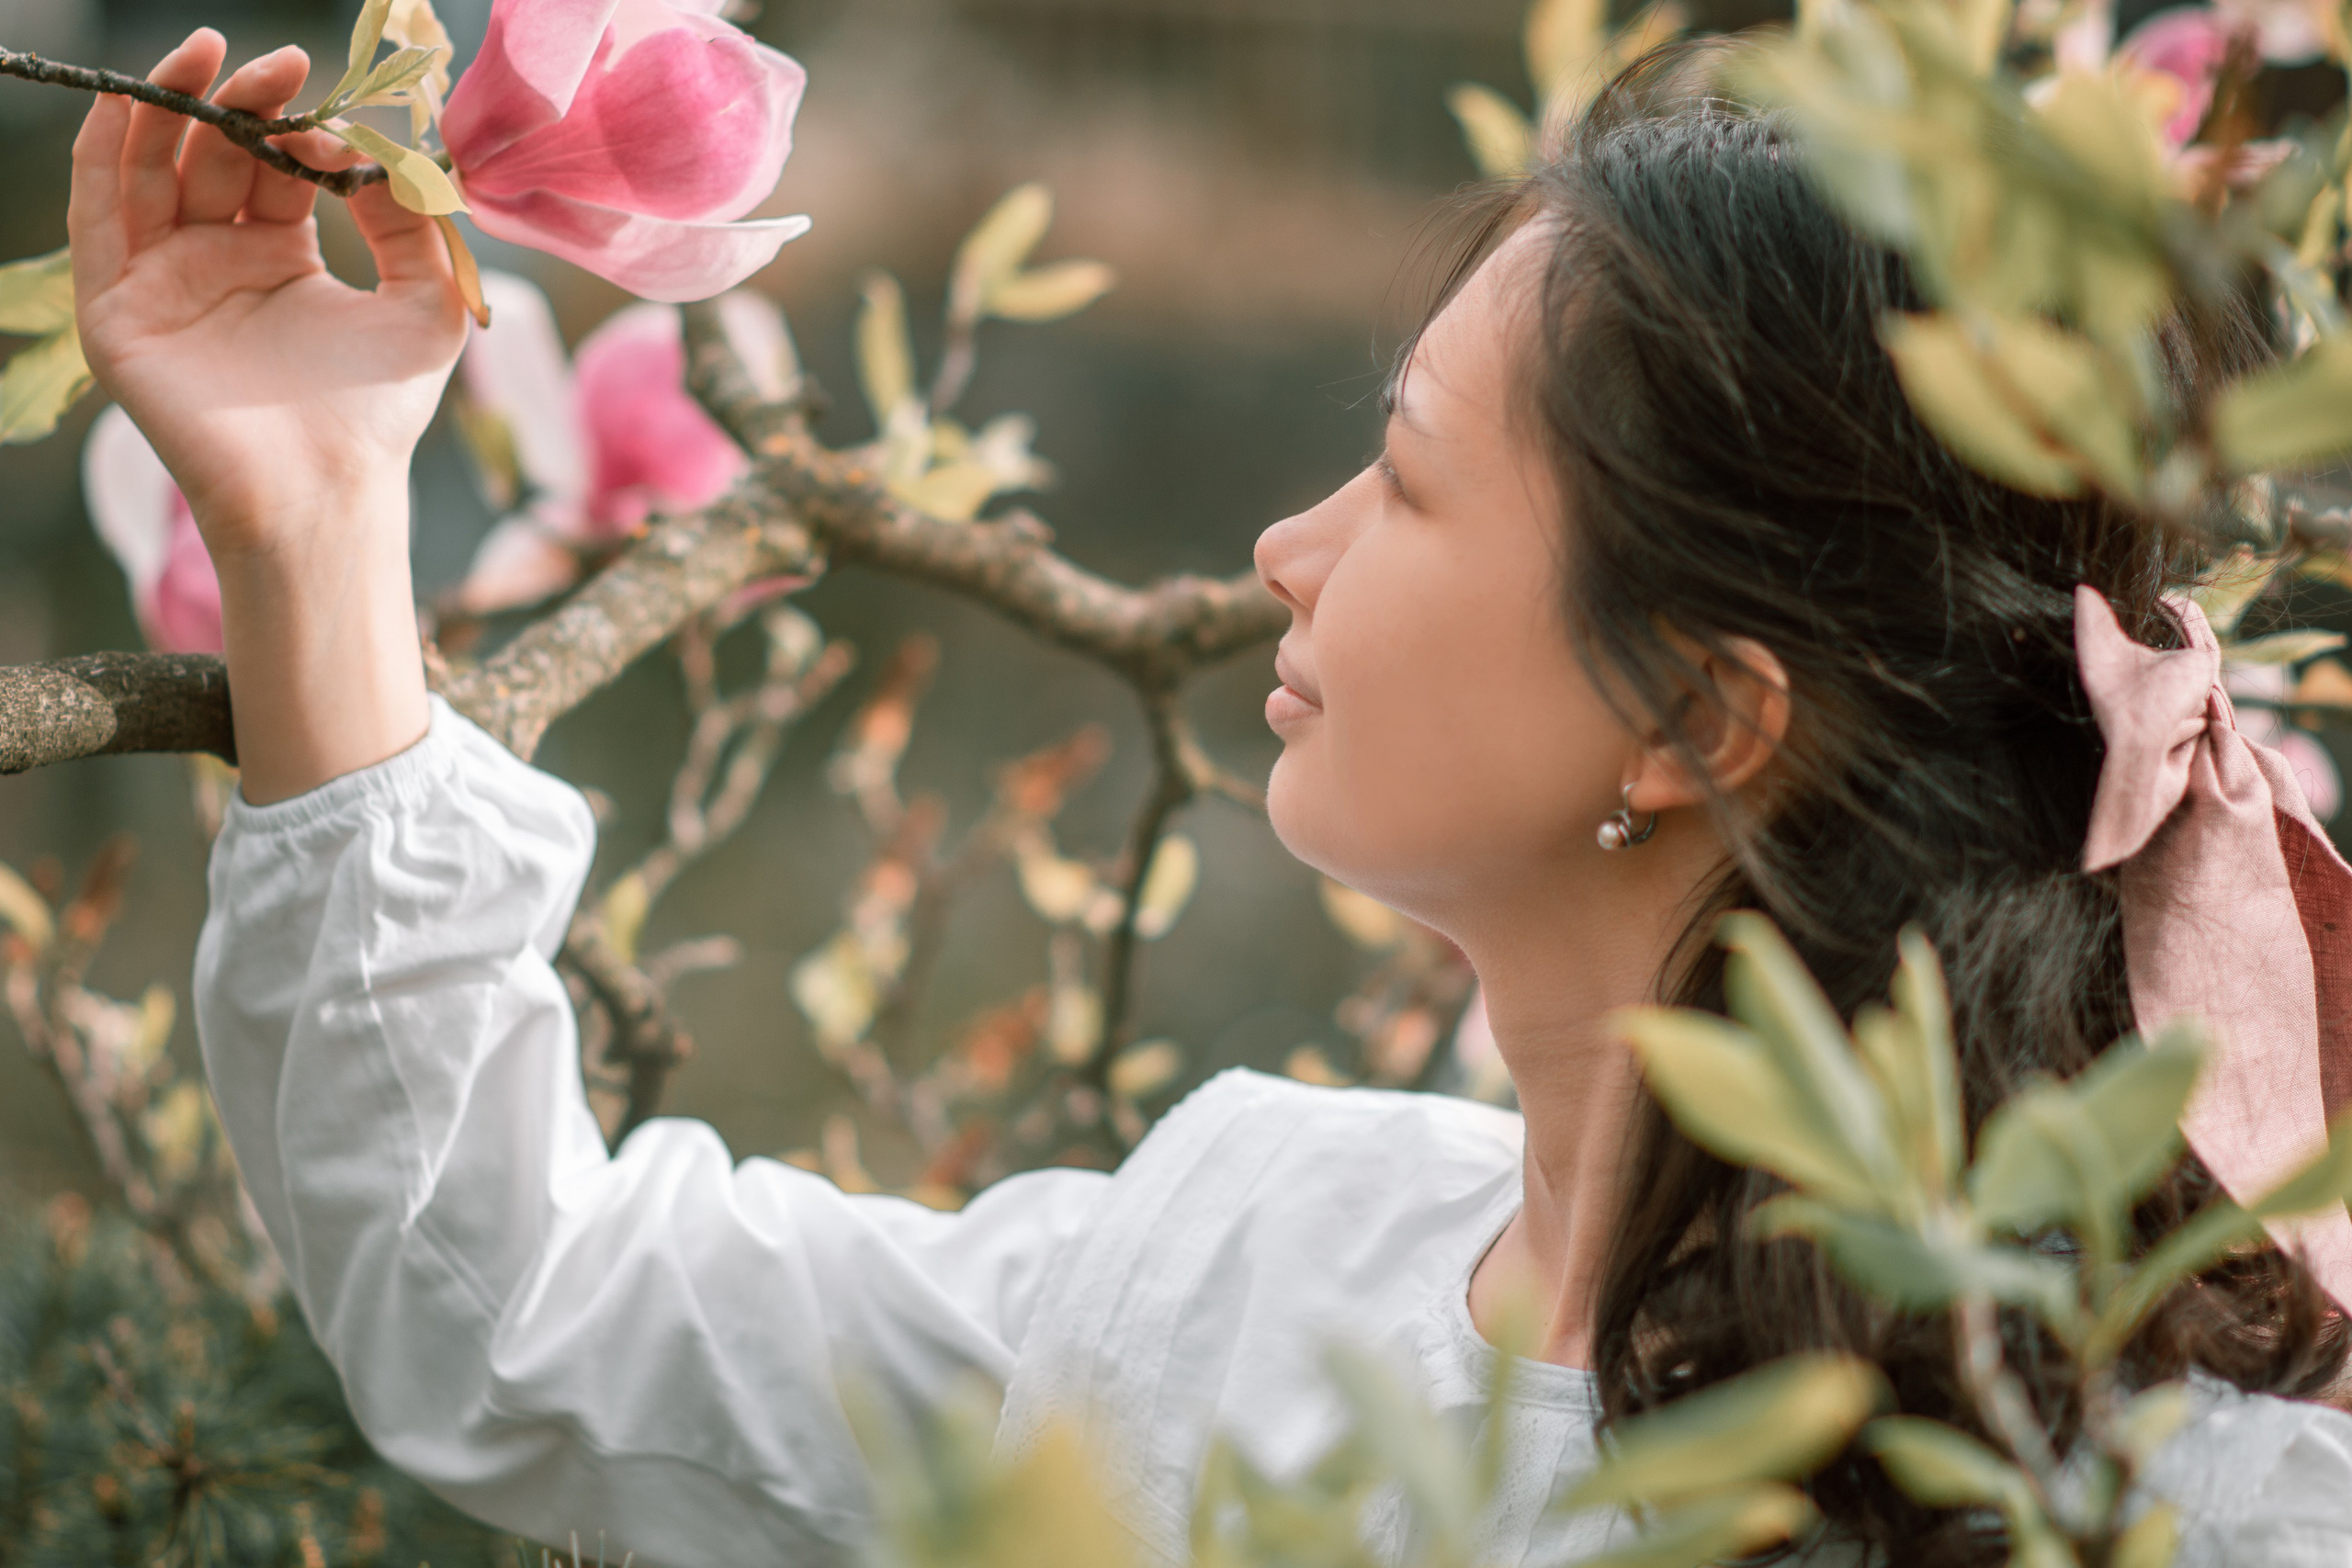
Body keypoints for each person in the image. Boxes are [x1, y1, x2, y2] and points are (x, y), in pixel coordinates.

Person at [67, 24, 2352, 1568]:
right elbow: (525, 1308)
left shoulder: (2204, 1503)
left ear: (1698, 713)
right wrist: (315, 527)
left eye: (1412, 480)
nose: (1289, 544)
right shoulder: (1242, 1253)